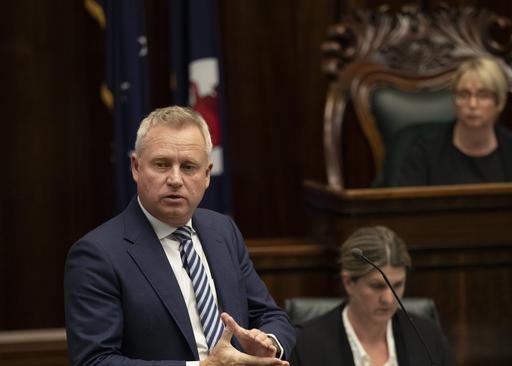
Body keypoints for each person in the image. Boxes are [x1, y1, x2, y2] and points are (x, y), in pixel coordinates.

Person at [64, 106, 294, 366]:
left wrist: (268, 343)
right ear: (136, 168)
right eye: (161, 164)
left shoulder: (223, 230)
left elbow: (270, 314)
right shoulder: (97, 255)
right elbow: (94, 361)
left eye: (188, 167)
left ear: (206, 174)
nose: (175, 179)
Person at [289, 226, 452, 366]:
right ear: (348, 283)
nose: (388, 299)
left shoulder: (428, 338)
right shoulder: (307, 345)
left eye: (397, 285)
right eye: (377, 286)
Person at [398, 56, 512, 186]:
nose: (472, 104)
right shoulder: (424, 153)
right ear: (454, 100)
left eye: (483, 95)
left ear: (499, 103)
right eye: (463, 94)